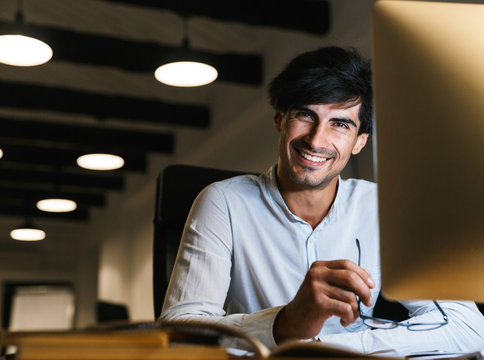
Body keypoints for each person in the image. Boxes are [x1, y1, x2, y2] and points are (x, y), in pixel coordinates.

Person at [159, 46, 484, 356]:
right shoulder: (223, 202)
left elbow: (468, 327)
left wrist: (327, 348)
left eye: (340, 124)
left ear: (360, 141)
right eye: (305, 115)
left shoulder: (383, 208)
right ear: (279, 120)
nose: (316, 140)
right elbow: (177, 335)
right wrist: (285, 324)